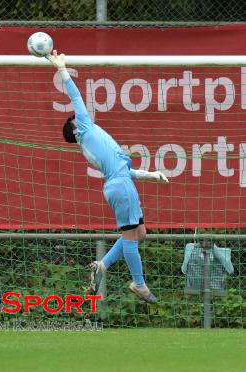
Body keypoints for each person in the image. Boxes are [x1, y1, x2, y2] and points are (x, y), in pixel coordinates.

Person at [47, 51, 169, 303]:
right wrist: (62, 69)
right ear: (74, 127)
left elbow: (126, 171)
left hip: (120, 183)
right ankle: (139, 283)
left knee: (140, 233)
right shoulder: (85, 128)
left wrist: (153, 176)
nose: (77, 114)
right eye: (74, 117)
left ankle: (101, 265)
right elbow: (76, 96)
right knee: (131, 238)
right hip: (120, 187)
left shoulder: (91, 140)